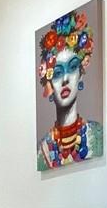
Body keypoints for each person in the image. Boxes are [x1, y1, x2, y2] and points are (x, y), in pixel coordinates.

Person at [37, 9, 102, 169]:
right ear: (49, 84)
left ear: (80, 75)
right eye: (58, 73)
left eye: (72, 67)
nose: (65, 79)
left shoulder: (97, 134)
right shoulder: (42, 151)